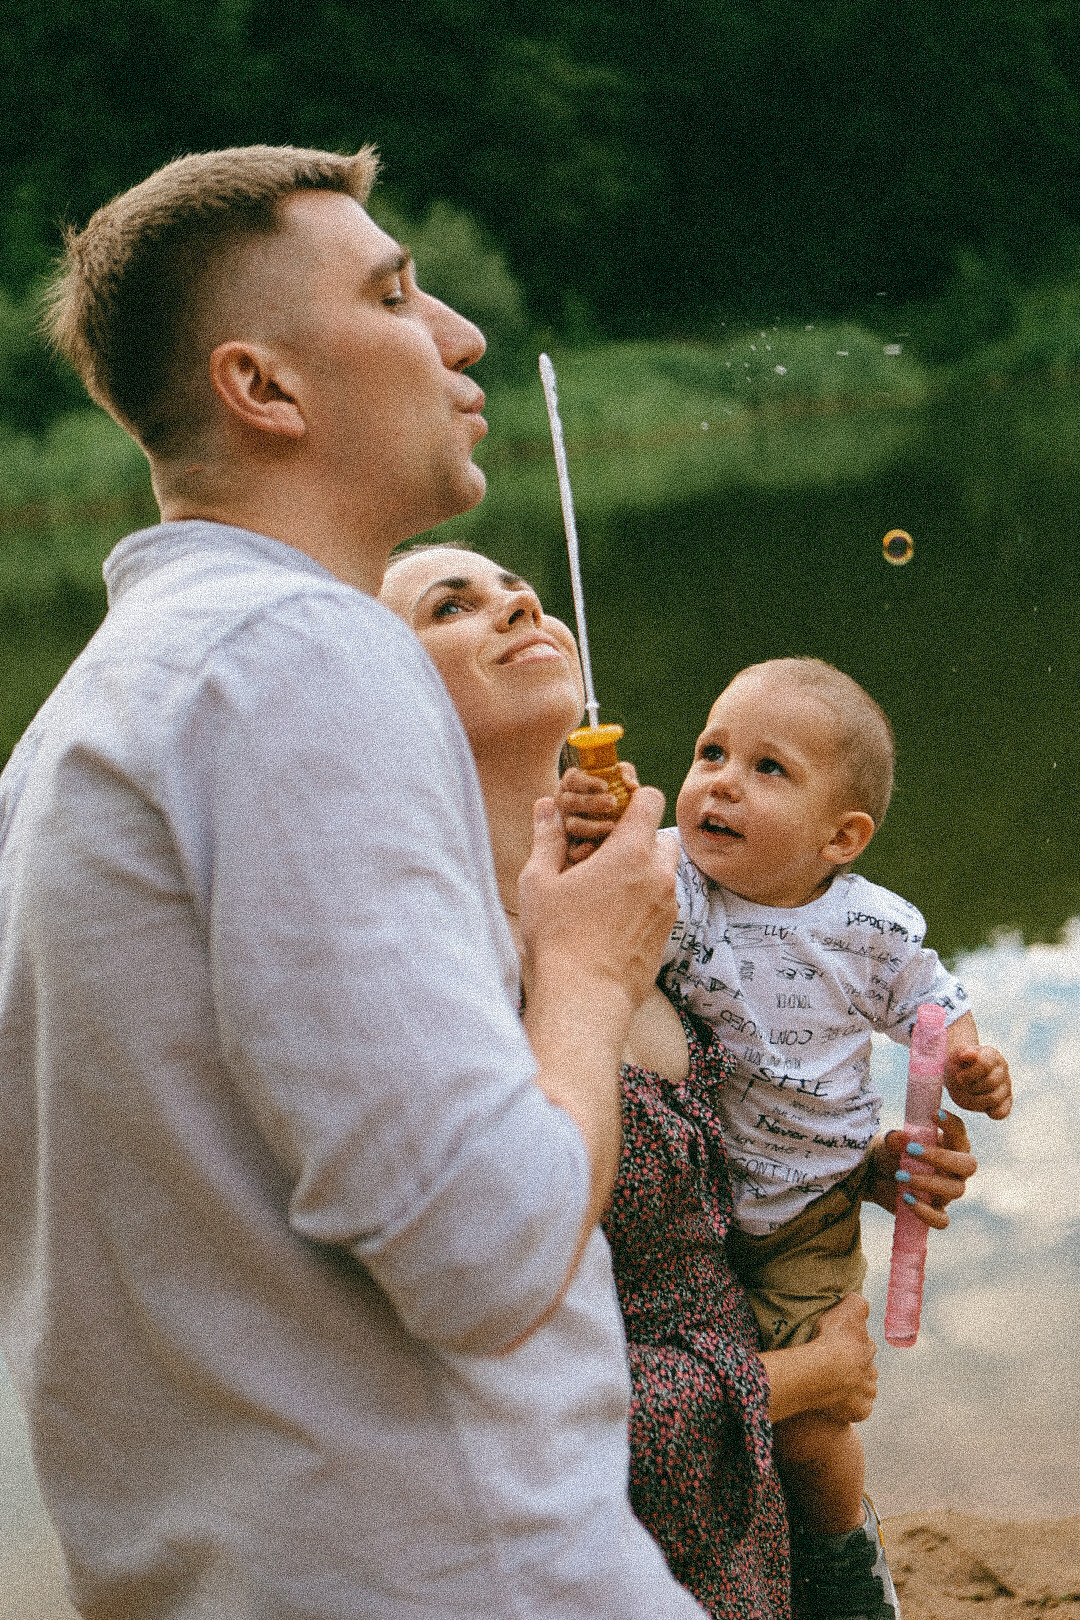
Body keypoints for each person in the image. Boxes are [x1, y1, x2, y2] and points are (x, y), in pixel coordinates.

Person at [0, 145, 709, 1620]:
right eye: (395, 293)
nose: (461, 332)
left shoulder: (74, 730)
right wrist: (584, 971)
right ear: (265, 389)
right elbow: (489, 1248)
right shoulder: (303, 653)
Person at [379, 549, 979, 1620]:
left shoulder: (656, 898)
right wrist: (800, 1384)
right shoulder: (433, 967)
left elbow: (733, 1105)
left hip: (752, 1517)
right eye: (449, 605)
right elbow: (501, 1405)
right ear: (371, 685)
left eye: (517, 584)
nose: (514, 600)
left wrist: (858, 1165)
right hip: (632, 1567)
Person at [560, 655, 1009, 1618]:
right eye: (711, 750)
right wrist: (599, 810)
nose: (719, 779)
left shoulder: (868, 929)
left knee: (807, 1425)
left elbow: (935, 1003)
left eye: (768, 769)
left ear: (842, 836)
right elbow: (610, 862)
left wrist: (968, 1063)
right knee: (773, 1399)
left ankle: (845, 1556)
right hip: (708, 1191)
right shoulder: (678, 875)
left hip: (812, 1202)